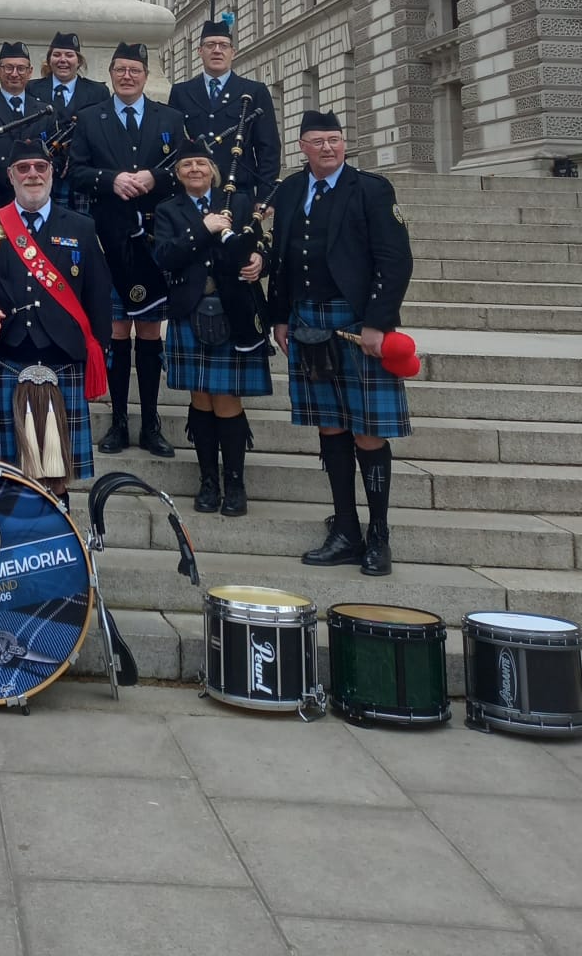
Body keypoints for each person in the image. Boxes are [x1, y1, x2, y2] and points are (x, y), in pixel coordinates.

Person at [267, 111, 413, 577]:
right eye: (318, 141)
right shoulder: (290, 190)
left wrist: (378, 322)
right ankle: (345, 529)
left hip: (356, 323)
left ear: (344, 144)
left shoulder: (371, 189)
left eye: (335, 139)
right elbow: (282, 257)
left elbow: (395, 260)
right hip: (308, 319)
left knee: (368, 429)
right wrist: (279, 317)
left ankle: (379, 534)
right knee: (329, 426)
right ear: (302, 147)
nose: (328, 147)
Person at [0, 136, 110, 489]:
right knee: (1, 475)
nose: (32, 174)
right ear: (10, 175)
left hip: (63, 362)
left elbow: (98, 296)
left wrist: (98, 353)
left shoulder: (80, 227)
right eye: (23, 168)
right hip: (5, 360)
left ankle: (56, 537)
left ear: (52, 173)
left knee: (57, 476)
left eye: (40, 167)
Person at [69, 42, 183, 457]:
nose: (127, 76)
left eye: (135, 70)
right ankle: (118, 422)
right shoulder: (89, 119)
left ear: (146, 75)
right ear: (111, 74)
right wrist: (110, 180)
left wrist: (156, 178)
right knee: (117, 331)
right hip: (108, 241)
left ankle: (150, 422)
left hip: (155, 242)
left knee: (150, 331)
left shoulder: (170, 118)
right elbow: (77, 172)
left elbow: (184, 168)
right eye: (120, 70)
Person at [153, 148, 270, 517]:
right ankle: (208, 481)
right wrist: (201, 229)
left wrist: (260, 261)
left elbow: (264, 243)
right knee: (200, 398)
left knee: (227, 399)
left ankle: (235, 482)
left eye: (201, 163)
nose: (194, 169)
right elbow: (164, 257)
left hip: (234, 310)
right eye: (187, 164)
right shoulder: (168, 210)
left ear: (213, 170)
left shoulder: (236, 200)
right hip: (190, 310)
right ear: (178, 172)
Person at [168, 21, 281, 196]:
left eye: (223, 45)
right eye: (210, 45)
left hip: (239, 190)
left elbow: (268, 147)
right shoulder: (181, 92)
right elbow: (175, 143)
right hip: (193, 191)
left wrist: (266, 195)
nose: (217, 50)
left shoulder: (254, 91)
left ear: (233, 52)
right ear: (200, 51)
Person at [0, 41, 57, 211]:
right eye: (8, 68)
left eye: (21, 69)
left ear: (30, 73)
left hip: (35, 198)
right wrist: (13, 173)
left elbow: (53, 150)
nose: (14, 74)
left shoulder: (45, 110)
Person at [28, 30, 107, 208]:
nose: (62, 59)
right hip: (41, 171)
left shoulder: (97, 92)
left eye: (69, 55)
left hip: (80, 171)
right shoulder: (32, 89)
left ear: (79, 61)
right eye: (57, 55)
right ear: (49, 60)